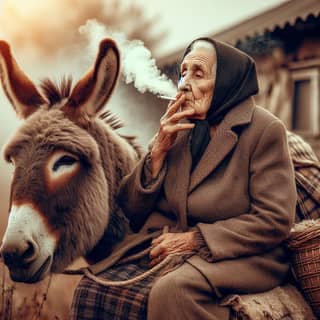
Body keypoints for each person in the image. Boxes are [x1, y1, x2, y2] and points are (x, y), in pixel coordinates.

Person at [71, 38, 296, 320]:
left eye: (198, 73)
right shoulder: (180, 126)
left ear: (226, 80)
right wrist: (158, 152)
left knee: (172, 292)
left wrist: (194, 240)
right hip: (173, 246)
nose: (184, 83)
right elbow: (129, 208)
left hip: (243, 254)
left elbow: (274, 219)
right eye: (183, 73)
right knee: (90, 288)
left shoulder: (264, 130)